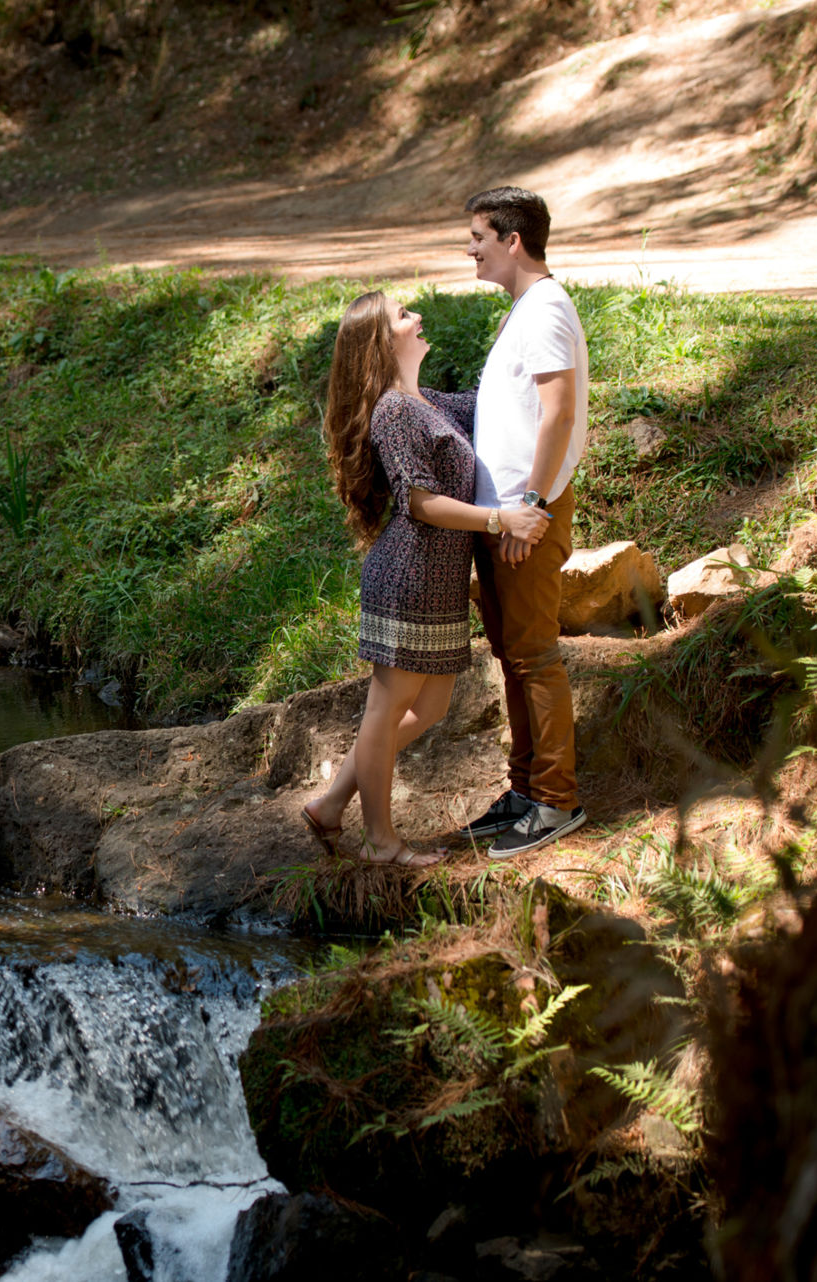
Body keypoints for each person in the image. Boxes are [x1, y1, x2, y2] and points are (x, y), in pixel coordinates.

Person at [300, 291, 549, 866]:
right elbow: (421, 502)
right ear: (384, 342)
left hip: (436, 583)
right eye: (404, 316)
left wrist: (511, 334)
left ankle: (332, 803)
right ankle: (381, 842)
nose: (418, 318)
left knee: (431, 707)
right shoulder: (394, 412)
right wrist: (499, 518)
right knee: (385, 713)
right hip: (409, 577)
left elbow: (486, 404)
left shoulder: (426, 402)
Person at [456, 186, 591, 858]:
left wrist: (533, 508)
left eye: (478, 237)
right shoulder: (524, 310)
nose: (470, 250)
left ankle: (556, 800)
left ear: (513, 240)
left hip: (525, 519)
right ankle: (524, 789)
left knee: (535, 656)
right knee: (514, 656)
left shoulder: (545, 309)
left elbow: (559, 412)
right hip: (504, 516)